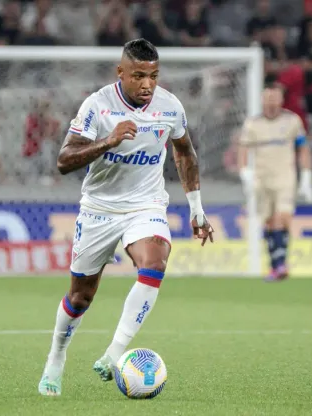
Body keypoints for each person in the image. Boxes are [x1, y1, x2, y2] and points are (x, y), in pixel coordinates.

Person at [38, 39, 214, 396]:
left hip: (145, 205)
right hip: (100, 208)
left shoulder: (169, 106)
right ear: (121, 73)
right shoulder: (98, 105)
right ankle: (56, 357)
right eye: (138, 76)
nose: (147, 84)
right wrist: (108, 142)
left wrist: (197, 208)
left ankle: (114, 354)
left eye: (153, 75)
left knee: (156, 261)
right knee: (80, 297)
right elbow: (64, 160)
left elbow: (185, 153)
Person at [237, 85, 312, 281]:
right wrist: (245, 173)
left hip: (285, 177)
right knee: (270, 222)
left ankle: (280, 265)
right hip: (262, 179)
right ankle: (276, 266)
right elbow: (243, 151)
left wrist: (306, 177)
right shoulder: (253, 124)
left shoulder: (292, 121)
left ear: (281, 100)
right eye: (267, 98)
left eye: (275, 98)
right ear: (262, 101)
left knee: (283, 217)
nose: (271, 103)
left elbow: (303, 149)